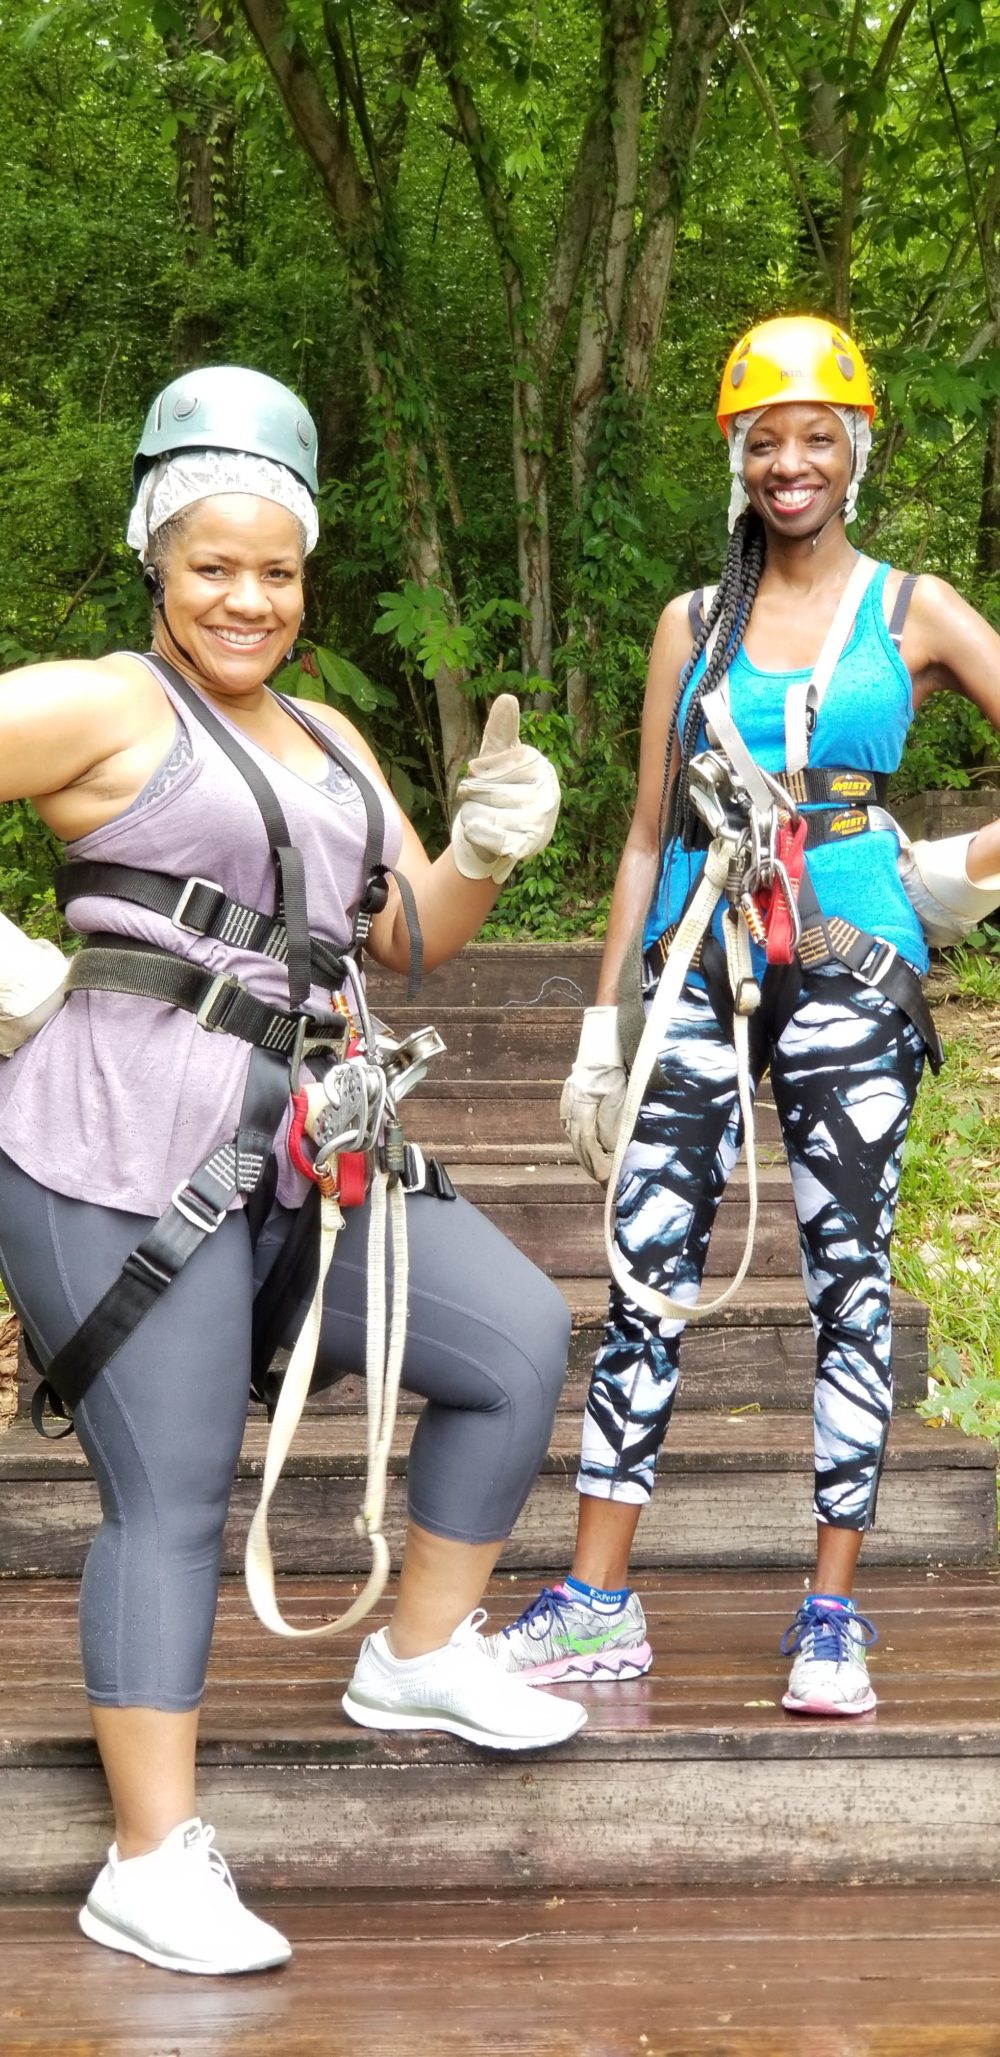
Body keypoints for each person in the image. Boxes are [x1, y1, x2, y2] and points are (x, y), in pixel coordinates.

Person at [0, 365, 586, 1979]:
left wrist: (483, 848)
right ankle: (147, 1859)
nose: (247, 598)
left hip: (310, 1137)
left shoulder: (328, 735)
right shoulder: (106, 703)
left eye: (276, 568)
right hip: (122, 1134)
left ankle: (416, 1651)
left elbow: (410, 938)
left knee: (516, 1339)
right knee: (173, 1490)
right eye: (213, 564)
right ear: (155, 554)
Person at [488, 314, 1000, 1719]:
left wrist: (963, 869)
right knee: (645, 1269)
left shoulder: (913, 609)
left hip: (851, 956)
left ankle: (832, 1614)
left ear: (857, 448)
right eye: (765, 440)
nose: (790, 464)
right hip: (697, 960)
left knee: (849, 1279)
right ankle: (599, 1602)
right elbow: (645, 833)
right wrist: (604, 1025)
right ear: (737, 457)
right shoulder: (692, 623)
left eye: (816, 436)